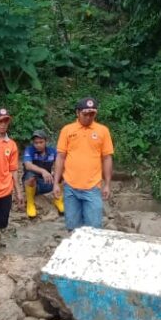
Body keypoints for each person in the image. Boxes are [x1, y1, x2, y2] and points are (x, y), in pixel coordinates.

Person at [53, 97, 114, 231]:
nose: (88, 117)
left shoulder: (102, 131)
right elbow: (61, 156)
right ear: (77, 113)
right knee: (73, 228)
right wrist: (56, 183)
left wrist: (107, 184)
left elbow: (107, 158)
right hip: (70, 187)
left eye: (92, 114)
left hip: (93, 187)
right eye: (85, 114)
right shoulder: (67, 130)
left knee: (94, 229)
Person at [22, 129, 64, 218]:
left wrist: (56, 174)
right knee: (30, 177)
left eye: (41, 142)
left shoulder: (52, 151)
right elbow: (28, 165)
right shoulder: (29, 150)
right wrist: (43, 171)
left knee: (61, 173)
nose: (38, 145)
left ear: (46, 141)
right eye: (36, 143)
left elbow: (59, 164)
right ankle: (30, 203)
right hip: (33, 183)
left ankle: (58, 199)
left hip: (47, 181)